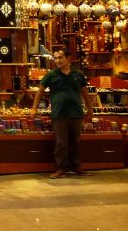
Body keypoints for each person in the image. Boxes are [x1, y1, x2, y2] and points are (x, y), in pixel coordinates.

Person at [31, 49, 94, 179]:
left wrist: (90, 108)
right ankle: (61, 169)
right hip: (59, 114)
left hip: (76, 113)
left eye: (60, 57)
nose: (58, 60)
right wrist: (34, 108)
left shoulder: (79, 75)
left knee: (75, 142)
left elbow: (84, 92)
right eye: (55, 58)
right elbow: (40, 91)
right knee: (61, 143)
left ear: (68, 58)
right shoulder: (51, 75)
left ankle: (76, 166)